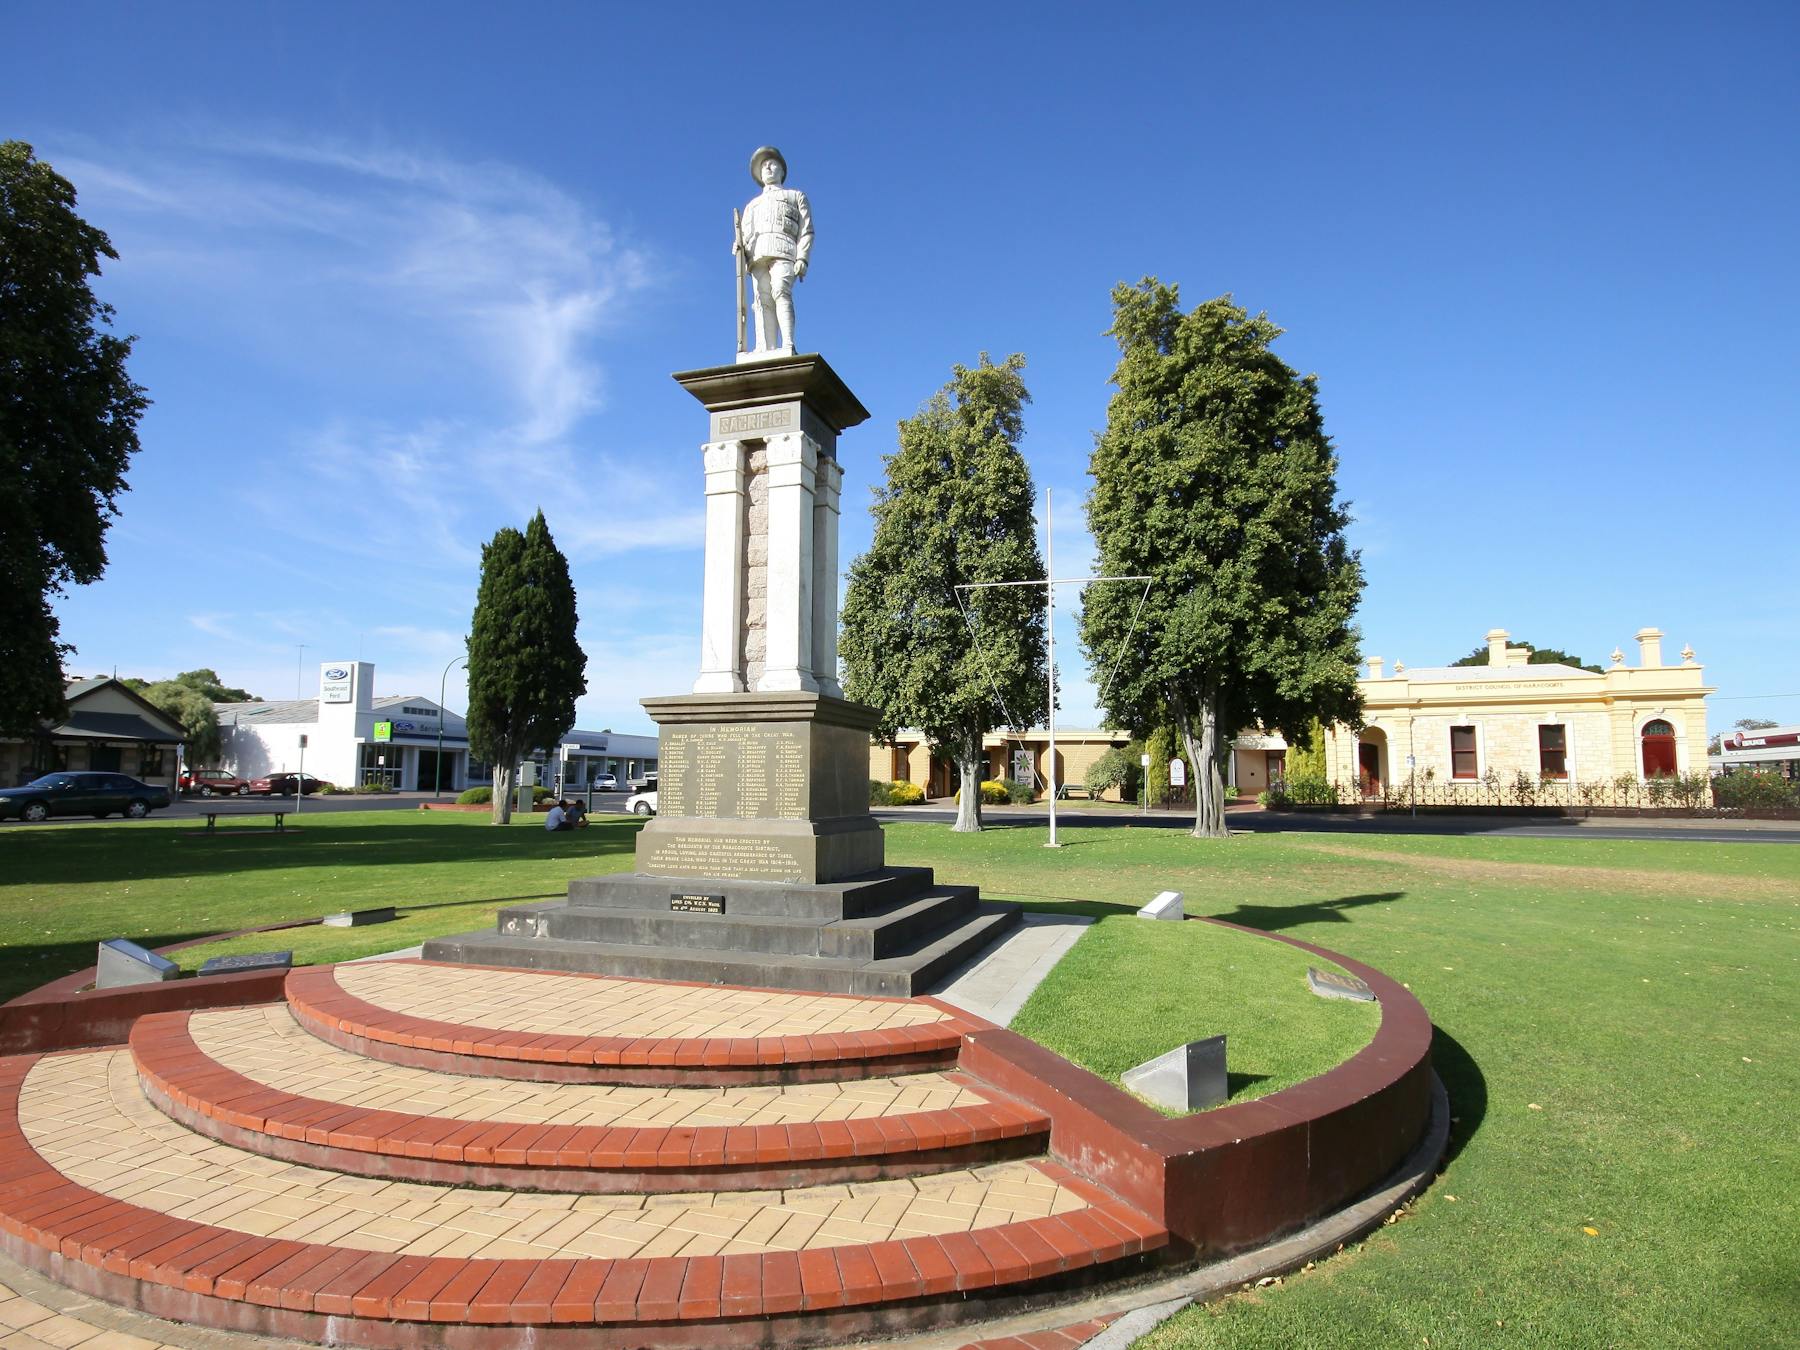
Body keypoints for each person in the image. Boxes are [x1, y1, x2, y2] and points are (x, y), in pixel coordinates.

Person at [738, 146, 812, 356]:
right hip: (758, 254)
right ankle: (765, 347)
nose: (768, 167)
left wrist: (803, 258)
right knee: (762, 299)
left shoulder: (795, 196)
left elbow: (806, 230)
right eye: (764, 166)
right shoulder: (752, 205)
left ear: (782, 170)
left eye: (773, 164)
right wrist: (739, 248)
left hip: (784, 249)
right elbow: (744, 235)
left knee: (780, 290)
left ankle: (788, 343)